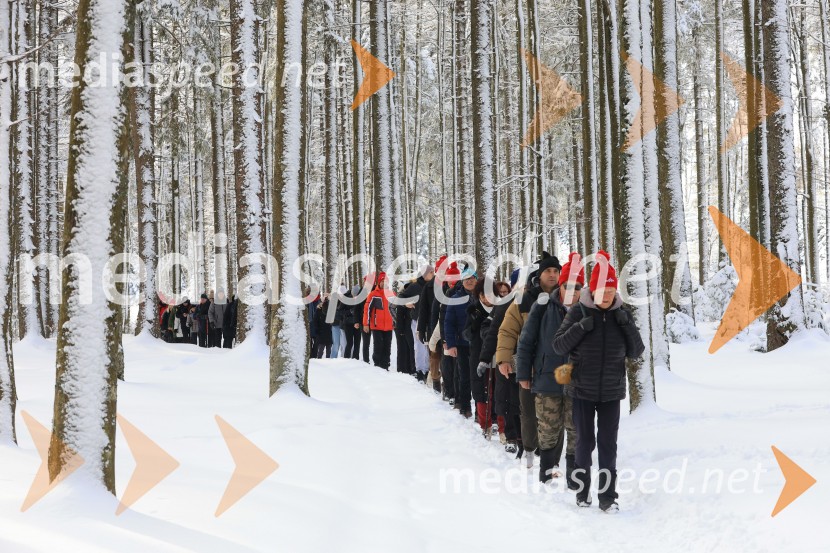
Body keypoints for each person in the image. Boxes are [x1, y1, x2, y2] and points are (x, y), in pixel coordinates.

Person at [553, 250, 645, 513]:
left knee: (608, 444)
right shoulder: (578, 311)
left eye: (611, 290)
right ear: (592, 290)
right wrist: (580, 327)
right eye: (602, 290)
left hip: (611, 391)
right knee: (584, 443)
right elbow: (558, 345)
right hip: (582, 389)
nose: (606, 295)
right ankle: (582, 493)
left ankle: (608, 497)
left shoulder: (622, 313)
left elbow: (636, 351)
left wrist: (626, 325)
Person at [516, 252, 583, 486]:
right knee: (548, 428)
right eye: (567, 286)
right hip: (547, 378)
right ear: (560, 286)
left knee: (575, 428)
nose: (572, 291)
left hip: (579, 382)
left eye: (577, 287)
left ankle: (574, 475)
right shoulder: (543, 306)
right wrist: (523, 373)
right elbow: (526, 341)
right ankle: (545, 470)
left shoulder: (588, 310)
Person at [496, 252, 561, 468]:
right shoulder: (523, 299)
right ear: (539, 275)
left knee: (557, 412)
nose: (552, 275)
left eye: (555, 271)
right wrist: (503, 359)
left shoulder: (566, 297)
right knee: (529, 411)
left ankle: (552, 455)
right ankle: (530, 449)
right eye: (548, 271)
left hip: (558, 366)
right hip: (530, 365)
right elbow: (507, 330)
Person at [478, 269, 521, 453]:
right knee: (509, 397)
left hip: (531, 358)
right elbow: (490, 328)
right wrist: (485, 357)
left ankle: (527, 437)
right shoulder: (503, 305)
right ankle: (511, 436)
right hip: (507, 357)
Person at [466, 278, 506, 435]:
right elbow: (466, 334)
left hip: (500, 354)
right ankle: (485, 425)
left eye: (489, 294)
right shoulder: (473, 310)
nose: (486, 298)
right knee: (481, 391)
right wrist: (474, 326)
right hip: (479, 355)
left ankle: (503, 428)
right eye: (482, 294)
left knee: (501, 392)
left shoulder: (502, 307)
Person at [443, 269, 477, 418]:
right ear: (462, 281)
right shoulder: (455, 298)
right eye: (466, 279)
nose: (469, 281)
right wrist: (451, 344)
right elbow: (448, 323)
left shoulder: (483, 296)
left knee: (479, 377)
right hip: (462, 343)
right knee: (464, 376)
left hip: (480, 344)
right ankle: (465, 406)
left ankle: (480, 411)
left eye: (472, 278)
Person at [363, 272, 395, 370]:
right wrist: (366, 324)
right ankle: (377, 366)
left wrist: (396, 322)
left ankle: (385, 366)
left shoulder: (392, 294)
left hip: (389, 326)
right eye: (382, 281)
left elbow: (395, 309)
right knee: (378, 346)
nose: (384, 283)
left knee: (387, 346)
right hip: (377, 326)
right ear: (379, 282)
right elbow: (367, 310)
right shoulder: (373, 294)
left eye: (386, 281)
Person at [340, 286, 359, 359]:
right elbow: (340, 311)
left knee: (357, 343)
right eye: (354, 295)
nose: (355, 297)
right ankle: (346, 359)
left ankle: (356, 359)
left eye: (357, 295)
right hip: (348, 323)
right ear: (351, 293)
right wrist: (350, 312)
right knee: (350, 343)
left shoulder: (361, 299)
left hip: (357, 323)